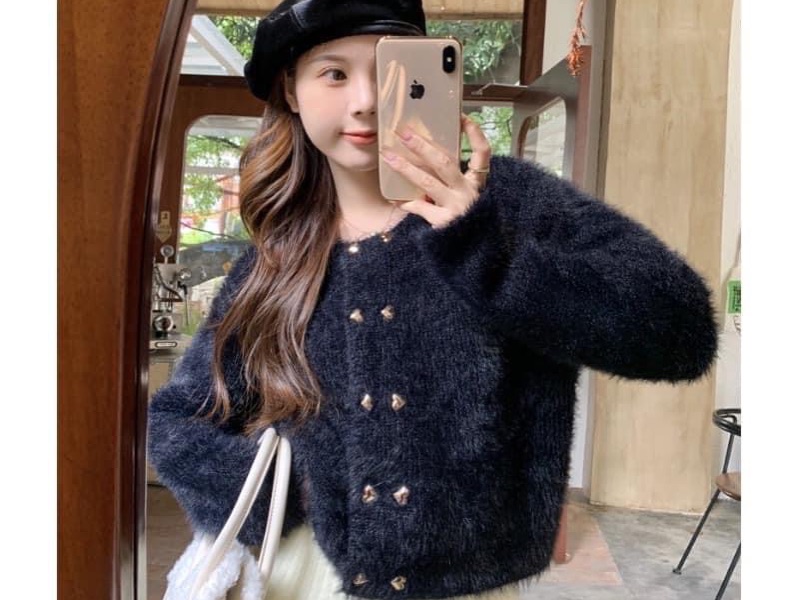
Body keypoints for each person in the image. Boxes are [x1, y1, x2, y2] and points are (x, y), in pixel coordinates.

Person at [147, 0, 719, 598]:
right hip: (301, 574)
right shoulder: (280, 255)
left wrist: (483, 250)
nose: (366, 100)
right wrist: (285, 497)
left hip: (466, 588)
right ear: (292, 90)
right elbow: (177, 418)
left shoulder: (511, 204)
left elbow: (681, 332)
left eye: (390, 72)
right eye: (334, 73)